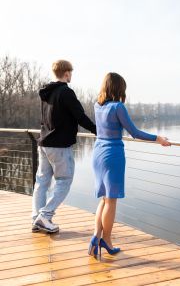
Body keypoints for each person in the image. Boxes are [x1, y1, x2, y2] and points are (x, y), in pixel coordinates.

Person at [88, 72, 170, 256]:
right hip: (112, 155)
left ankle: (96, 237)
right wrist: (158, 138)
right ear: (119, 88)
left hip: (98, 152)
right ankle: (106, 240)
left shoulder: (97, 105)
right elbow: (134, 132)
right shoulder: (118, 107)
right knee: (111, 199)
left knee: (104, 198)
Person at [32, 60, 97, 233]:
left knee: (42, 181)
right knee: (64, 181)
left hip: (44, 142)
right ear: (66, 73)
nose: (71, 75)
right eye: (71, 72)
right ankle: (44, 217)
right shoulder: (66, 92)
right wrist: (98, 130)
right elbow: (80, 116)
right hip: (59, 145)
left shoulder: (46, 93)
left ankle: (37, 218)